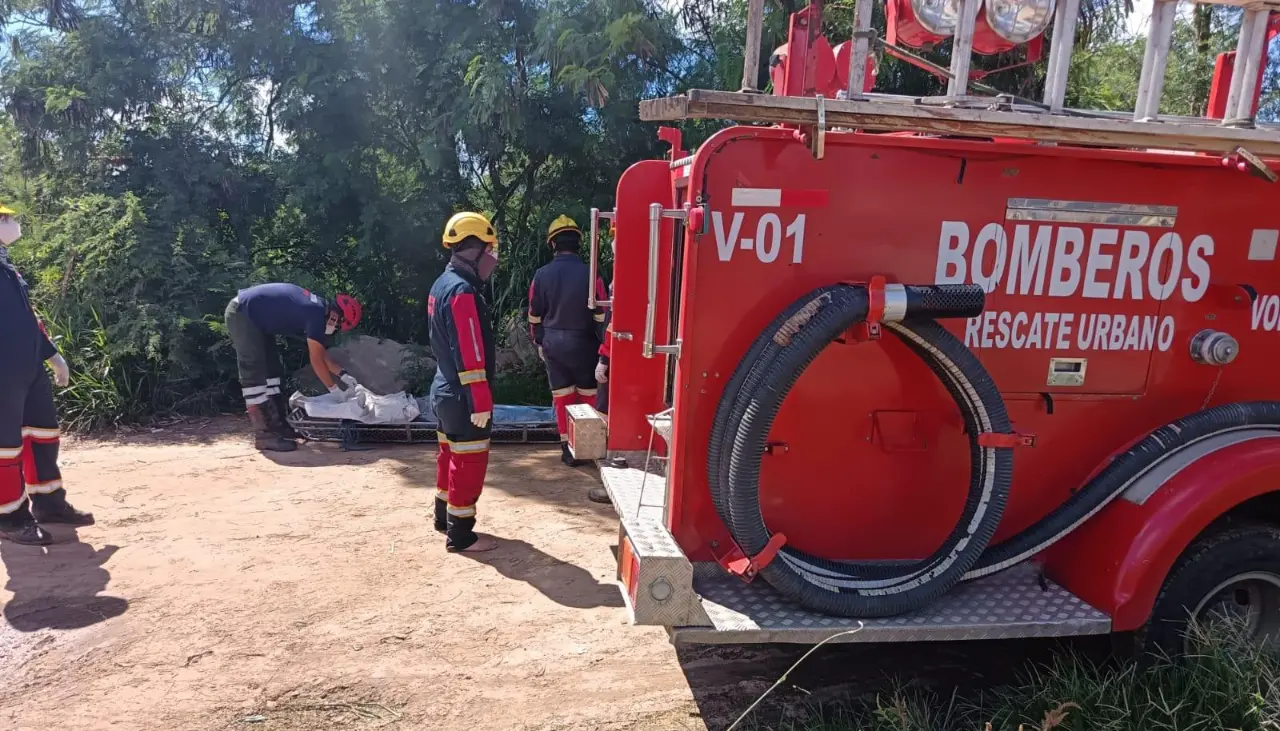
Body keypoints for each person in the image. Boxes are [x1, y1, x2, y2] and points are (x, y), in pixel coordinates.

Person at [0, 203, 95, 545]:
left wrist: (53, 356)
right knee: (5, 449)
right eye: (5, 219)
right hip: (3, 372)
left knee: (42, 435)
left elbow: (28, 319)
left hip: (28, 368)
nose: (13, 224)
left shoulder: (7, 268)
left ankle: (49, 503)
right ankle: (9, 518)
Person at [428, 211, 501, 553]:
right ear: (475, 251)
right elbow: (470, 348)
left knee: (448, 456)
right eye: (490, 249)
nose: (493, 257)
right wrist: (481, 397)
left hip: (443, 389)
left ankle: (443, 518)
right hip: (463, 395)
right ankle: (461, 536)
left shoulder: (442, 283)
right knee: (469, 462)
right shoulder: (463, 292)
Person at [225, 283, 363, 452]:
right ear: (336, 316)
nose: (335, 329)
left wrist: (343, 375)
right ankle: (264, 435)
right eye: (339, 325)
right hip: (243, 313)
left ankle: (279, 426)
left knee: (272, 372)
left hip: (257, 319)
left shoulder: (318, 309)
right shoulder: (316, 314)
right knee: (254, 371)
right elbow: (316, 361)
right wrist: (334, 390)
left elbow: (320, 352)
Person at [527, 215, 606, 467]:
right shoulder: (591, 274)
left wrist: (539, 341)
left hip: (553, 345)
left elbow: (534, 314)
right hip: (585, 345)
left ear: (553, 244)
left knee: (562, 397)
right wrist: (604, 352)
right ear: (578, 243)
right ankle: (589, 448)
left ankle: (567, 449)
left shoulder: (541, 275)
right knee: (588, 396)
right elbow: (602, 316)